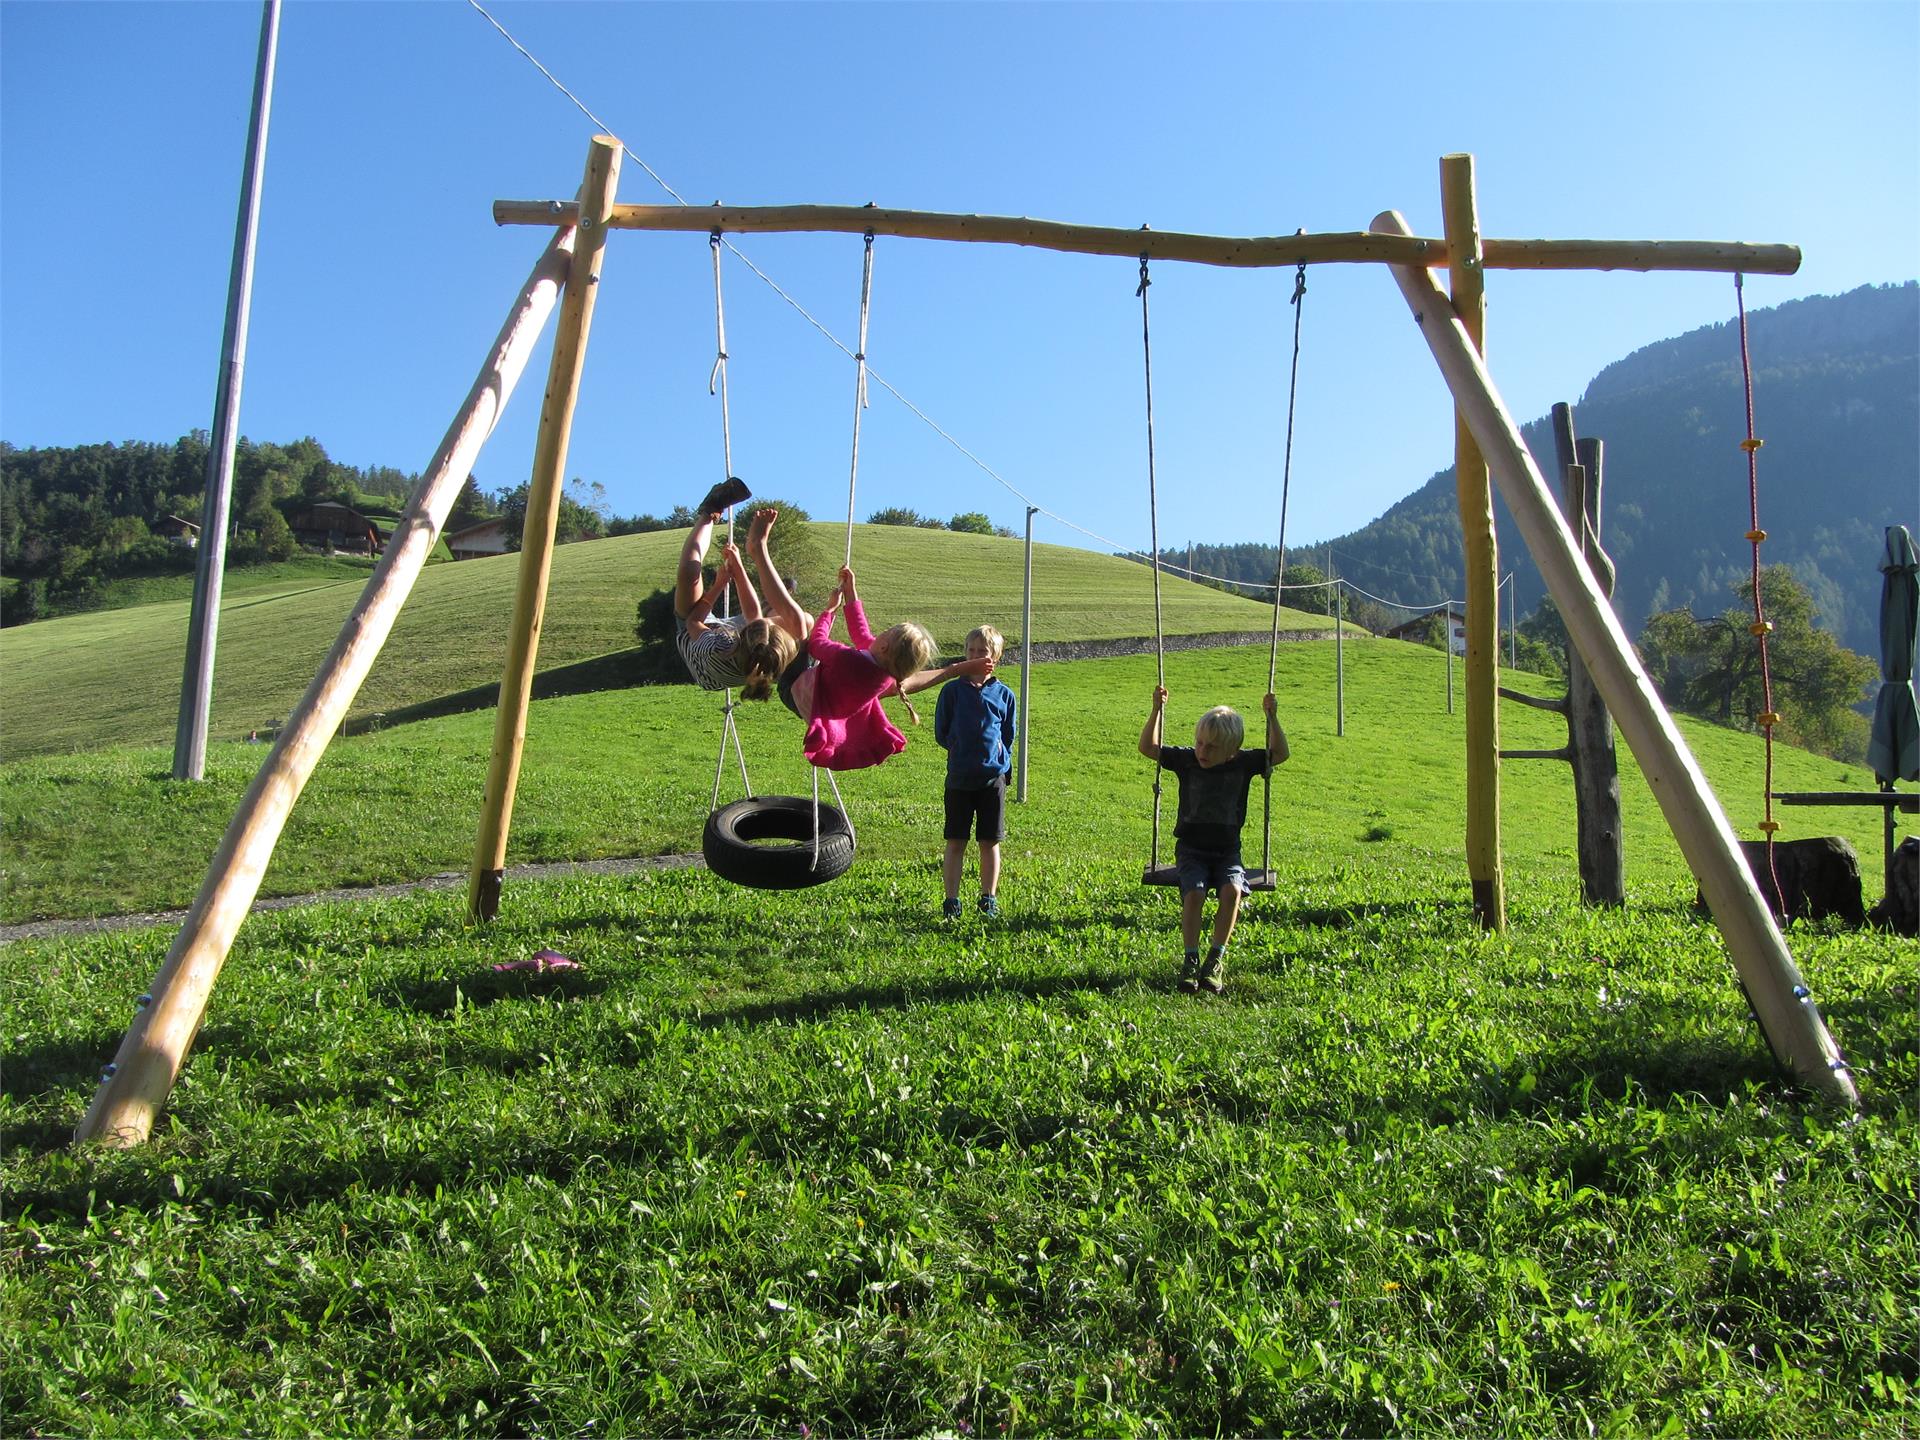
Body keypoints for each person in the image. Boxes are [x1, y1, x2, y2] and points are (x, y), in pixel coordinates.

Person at [1138, 685, 1289, 994]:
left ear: (1231, 751)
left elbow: (1281, 753)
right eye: (1200, 743)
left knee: (1232, 891)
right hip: (1191, 850)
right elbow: (1148, 748)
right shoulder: (1186, 760)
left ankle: (1215, 959)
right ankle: (1191, 960)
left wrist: (1271, 717)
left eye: (1212, 747)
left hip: (1227, 851)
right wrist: (1156, 709)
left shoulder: (1244, 764)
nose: (1202, 751)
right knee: (1193, 893)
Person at [778, 564, 939, 771]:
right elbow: (861, 634)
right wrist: (850, 592)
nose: (880, 632)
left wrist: (829, 610)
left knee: (800, 636)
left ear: (884, 646)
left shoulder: (848, 659)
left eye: (887, 631)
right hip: (813, 705)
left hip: (793, 691)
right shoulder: (884, 674)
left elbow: (817, 644)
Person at [671, 482, 807, 701]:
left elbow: (694, 622)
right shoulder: (770, 654)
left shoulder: (719, 647)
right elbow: (753, 616)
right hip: (739, 645)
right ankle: (758, 550)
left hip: (696, 632)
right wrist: (739, 569)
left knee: (689, 573)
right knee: (802, 624)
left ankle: (709, 512)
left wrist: (720, 584)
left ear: (744, 635)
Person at [934, 625, 1017, 918]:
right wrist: (960, 749)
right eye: (971, 651)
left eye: (983, 651)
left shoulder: (1004, 695)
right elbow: (942, 732)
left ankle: (988, 898)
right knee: (956, 841)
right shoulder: (952, 691)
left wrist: (996, 758)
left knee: (989, 841)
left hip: (992, 780)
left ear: (995, 657)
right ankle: (951, 901)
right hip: (959, 777)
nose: (976, 656)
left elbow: (1008, 734)